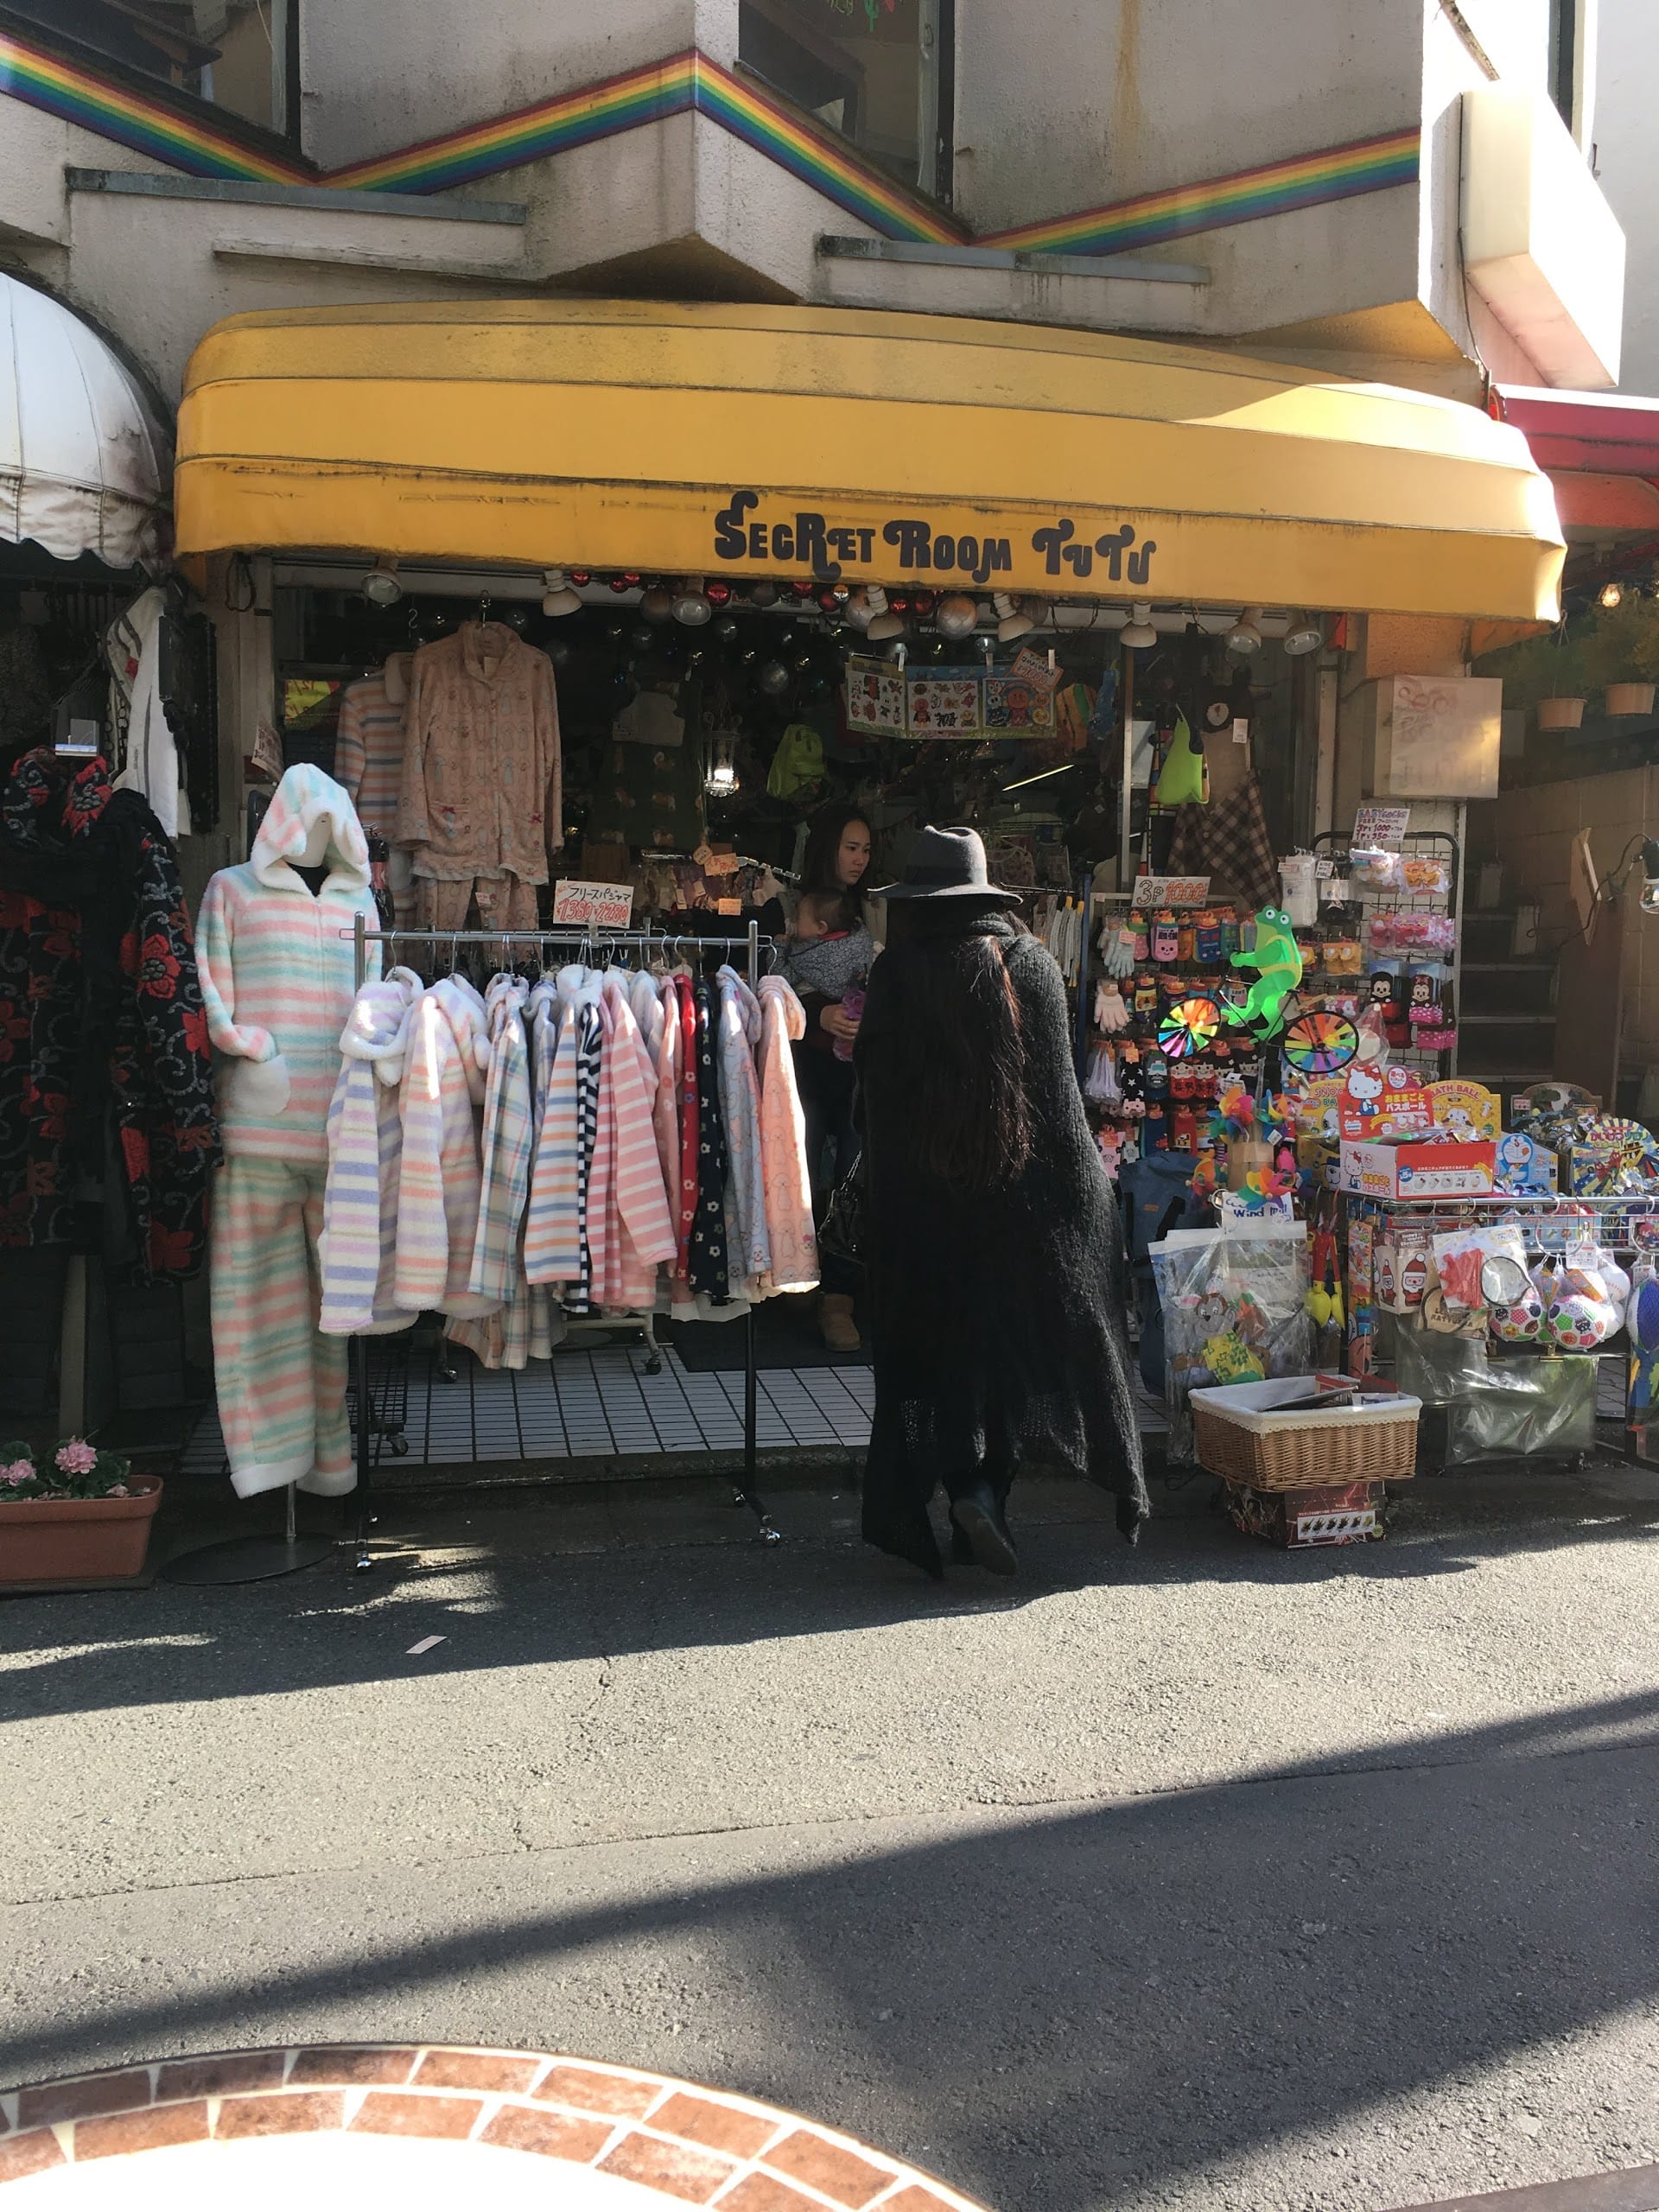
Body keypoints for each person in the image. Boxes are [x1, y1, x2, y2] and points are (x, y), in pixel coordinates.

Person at [854, 825, 1147, 1580]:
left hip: (923, 1210)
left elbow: (875, 1102)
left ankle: (967, 1488)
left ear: (916, 902)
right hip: (1029, 1211)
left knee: (939, 1355)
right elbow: (1060, 1111)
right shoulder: (1031, 964)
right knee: (1006, 1354)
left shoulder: (895, 972)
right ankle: (990, 1496)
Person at [787, 803, 875, 1351]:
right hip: (801, 1068)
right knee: (798, 1169)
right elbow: (771, 982)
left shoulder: (874, 911)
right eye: (850, 847)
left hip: (857, 1071)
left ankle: (839, 1296)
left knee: (852, 1174)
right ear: (827, 848)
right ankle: (799, 1273)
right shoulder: (790, 907)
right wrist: (819, 1012)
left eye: (866, 849)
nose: (859, 859)